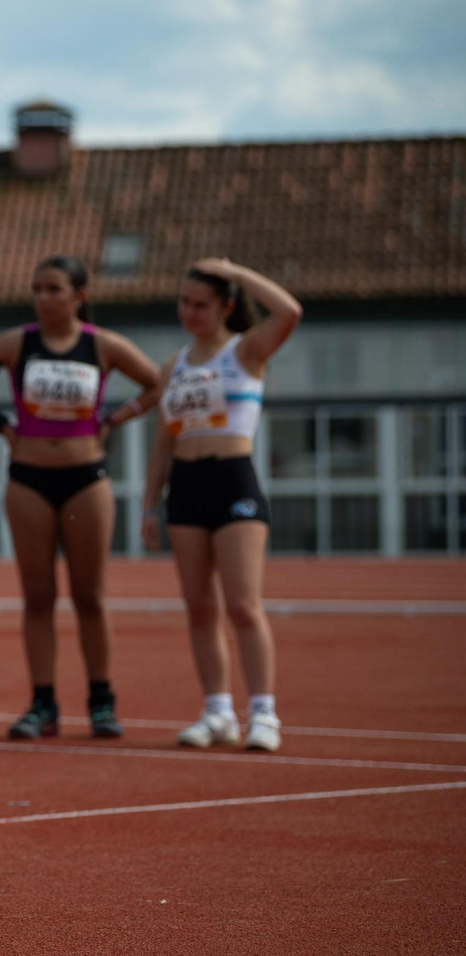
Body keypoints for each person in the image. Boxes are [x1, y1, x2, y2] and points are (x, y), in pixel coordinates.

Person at [0, 255, 161, 741]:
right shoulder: (17, 343)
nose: (43, 297)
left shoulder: (101, 345)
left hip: (87, 478)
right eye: (37, 288)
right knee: (38, 597)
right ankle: (43, 704)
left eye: (54, 289)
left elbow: (158, 383)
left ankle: (102, 702)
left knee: (90, 596)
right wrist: (4, 427)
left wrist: (114, 420)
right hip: (28, 481)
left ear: (79, 295)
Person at [142, 258, 302, 753]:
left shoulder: (247, 350)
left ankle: (263, 712)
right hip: (187, 486)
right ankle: (216, 711)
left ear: (226, 306)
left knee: (243, 606)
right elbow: (164, 441)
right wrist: (150, 505)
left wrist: (236, 270)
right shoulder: (174, 366)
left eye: (201, 304)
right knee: (199, 608)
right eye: (184, 303)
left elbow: (290, 311)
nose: (189, 312)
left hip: (233, 479)